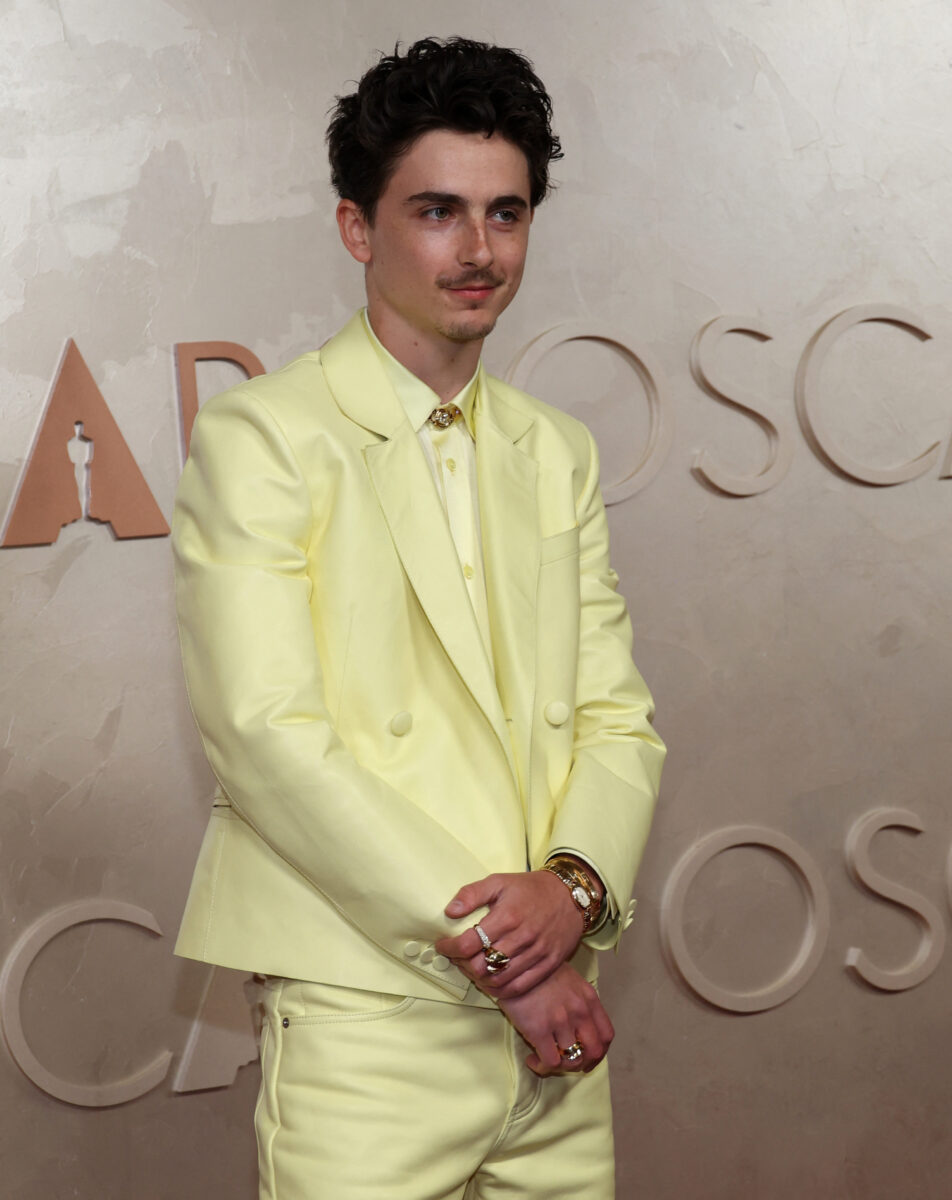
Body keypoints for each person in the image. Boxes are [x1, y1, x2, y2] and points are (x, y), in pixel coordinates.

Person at [172, 36, 665, 1200]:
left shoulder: (558, 452)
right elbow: (266, 735)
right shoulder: (264, 438)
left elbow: (615, 716)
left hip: (557, 1026)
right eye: (438, 211)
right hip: (369, 1014)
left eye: (507, 213)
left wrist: (574, 893)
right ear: (359, 228)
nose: (479, 250)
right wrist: (511, 958)